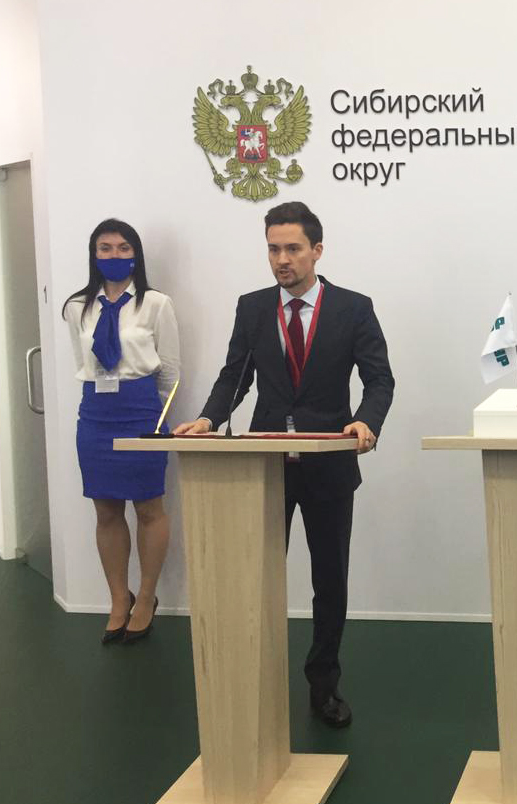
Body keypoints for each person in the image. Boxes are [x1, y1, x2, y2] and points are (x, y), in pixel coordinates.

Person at [174, 201, 394, 728]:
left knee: (329, 582)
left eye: (293, 249)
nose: (281, 260)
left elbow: (380, 379)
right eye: (273, 249)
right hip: (263, 466)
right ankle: (256, 678)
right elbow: (234, 376)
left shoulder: (353, 308)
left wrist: (366, 422)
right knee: (255, 576)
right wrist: (208, 418)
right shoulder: (252, 308)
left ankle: (323, 685)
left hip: (329, 466)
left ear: (317, 251)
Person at [63, 219, 179, 645]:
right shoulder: (77, 306)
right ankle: (118, 598)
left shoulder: (155, 304)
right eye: (106, 248)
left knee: (149, 508)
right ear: (94, 255)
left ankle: (146, 598)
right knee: (106, 510)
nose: (115, 255)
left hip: (141, 411)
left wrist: (155, 417)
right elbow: (83, 363)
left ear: (136, 254)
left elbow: (170, 371)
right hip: (96, 414)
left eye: (123, 247)